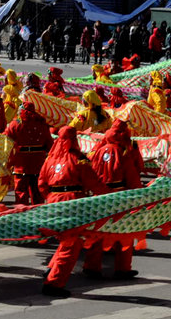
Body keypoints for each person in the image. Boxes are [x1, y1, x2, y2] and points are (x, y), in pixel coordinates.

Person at [38, 126, 109, 298]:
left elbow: (41, 183)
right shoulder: (79, 160)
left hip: (53, 201)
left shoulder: (49, 159)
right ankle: (54, 283)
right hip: (73, 203)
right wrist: (115, 198)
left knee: (64, 240)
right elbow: (94, 184)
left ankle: (51, 270)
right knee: (72, 244)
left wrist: (51, 198)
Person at [82, 120, 143, 279]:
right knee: (125, 232)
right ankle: (123, 268)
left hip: (99, 196)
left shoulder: (99, 151)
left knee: (97, 232)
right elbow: (133, 178)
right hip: (119, 196)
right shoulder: (124, 153)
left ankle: (91, 266)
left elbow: (91, 173)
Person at [3, 101, 54, 205]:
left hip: (21, 163)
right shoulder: (42, 123)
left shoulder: (16, 123)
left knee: (21, 191)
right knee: (37, 191)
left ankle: (22, 214)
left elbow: (5, 140)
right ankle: (37, 213)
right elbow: (49, 144)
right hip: (38, 162)